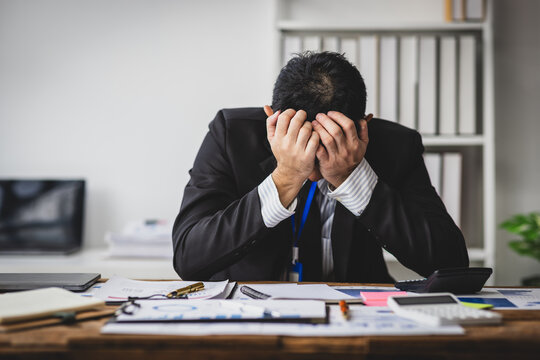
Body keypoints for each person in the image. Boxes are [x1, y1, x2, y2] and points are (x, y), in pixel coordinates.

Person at [172, 51, 468, 282]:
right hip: (253, 311)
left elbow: (450, 263)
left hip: (357, 311)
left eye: (328, 145)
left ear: (364, 128)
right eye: (300, 141)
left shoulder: (397, 146)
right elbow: (189, 257)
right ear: (270, 120)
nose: (312, 168)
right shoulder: (230, 135)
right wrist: (285, 178)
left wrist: (352, 178)